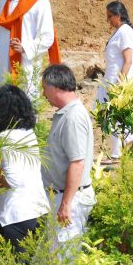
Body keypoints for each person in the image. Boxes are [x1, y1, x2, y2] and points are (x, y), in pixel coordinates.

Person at [0, 84, 49, 253]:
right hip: (38, 210)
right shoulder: (29, 134)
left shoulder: (4, 138)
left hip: (15, 216)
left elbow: (13, 179)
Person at [41, 65, 96, 246]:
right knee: (54, 256)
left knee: (64, 257)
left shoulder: (73, 117)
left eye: (44, 88)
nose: (43, 94)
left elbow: (77, 163)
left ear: (55, 87)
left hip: (70, 199)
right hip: (62, 196)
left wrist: (66, 204)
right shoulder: (66, 114)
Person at [96, 0, 133, 162]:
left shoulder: (125, 31)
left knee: (112, 115)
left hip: (118, 81)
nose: (108, 20)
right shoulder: (120, 31)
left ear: (118, 15)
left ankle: (120, 150)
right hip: (111, 79)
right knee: (110, 115)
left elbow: (128, 60)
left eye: (110, 16)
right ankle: (127, 141)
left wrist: (120, 84)